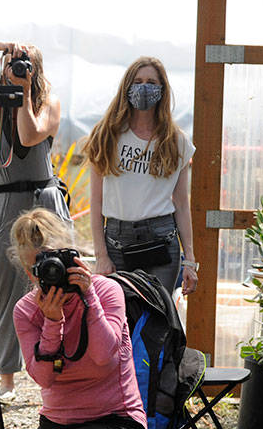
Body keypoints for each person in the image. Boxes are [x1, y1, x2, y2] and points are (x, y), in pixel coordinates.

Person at [11, 208, 146, 429]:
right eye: (40, 267)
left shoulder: (106, 290)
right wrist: (52, 321)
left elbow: (103, 357)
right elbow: (44, 378)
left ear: (73, 257)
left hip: (114, 421)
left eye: (55, 261)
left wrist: (89, 298)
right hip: (60, 425)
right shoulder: (27, 310)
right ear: (29, 272)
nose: (51, 272)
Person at [0, 40, 69, 402]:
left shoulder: (48, 103)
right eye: (12, 63)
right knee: (6, 289)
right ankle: (6, 378)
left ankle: (60, 374)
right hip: (5, 199)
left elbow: (29, 135)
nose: (17, 68)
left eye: (24, 63)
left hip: (43, 199)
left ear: (37, 70)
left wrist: (22, 95)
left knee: (58, 283)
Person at [83, 57, 199, 296]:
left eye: (151, 82)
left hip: (161, 241)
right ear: (127, 87)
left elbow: (181, 204)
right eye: (137, 82)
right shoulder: (106, 135)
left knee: (156, 314)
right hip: (117, 243)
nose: (144, 88)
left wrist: (189, 259)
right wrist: (101, 255)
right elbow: (96, 202)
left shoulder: (176, 141)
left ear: (162, 89)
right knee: (118, 315)